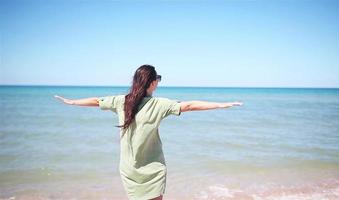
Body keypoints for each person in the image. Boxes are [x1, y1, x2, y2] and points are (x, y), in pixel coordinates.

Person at [54, 64, 243, 200]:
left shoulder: (122, 101)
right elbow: (191, 105)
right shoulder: (159, 104)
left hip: (128, 168)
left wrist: (72, 102)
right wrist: (221, 104)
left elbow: (96, 101)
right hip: (153, 169)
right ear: (152, 83)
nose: (158, 83)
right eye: (157, 79)